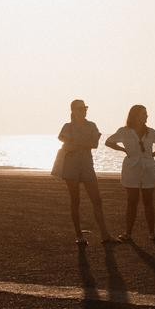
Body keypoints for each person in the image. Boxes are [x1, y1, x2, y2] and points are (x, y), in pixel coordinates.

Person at [55, 99, 116, 245]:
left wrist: (75, 143)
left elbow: (94, 144)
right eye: (81, 108)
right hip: (71, 167)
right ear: (73, 111)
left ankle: (105, 234)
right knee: (75, 200)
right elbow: (63, 140)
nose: (84, 110)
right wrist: (82, 143)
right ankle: (79, 236)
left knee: (97, 200)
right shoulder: (67, 126)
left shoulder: (91, 125)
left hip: (87, 166)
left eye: (85, 108)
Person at [105, 104, 155, 240]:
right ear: (135, 116)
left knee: (148, 201)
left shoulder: (151, 132)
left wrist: (152, 155)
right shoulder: (124, 131)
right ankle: (128, 233)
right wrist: (122, 150)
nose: (146, 116)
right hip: (131, 168)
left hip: (148, 168)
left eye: (146, 114)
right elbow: (109, 142)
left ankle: (152, 233)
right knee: (132, 201)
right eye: (143, 114)